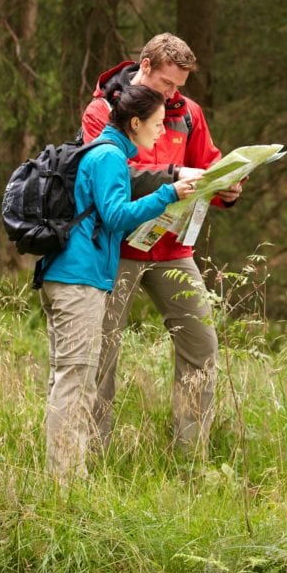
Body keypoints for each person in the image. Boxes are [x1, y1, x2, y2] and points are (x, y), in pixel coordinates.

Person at [81, 32, 242, 456]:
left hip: (173, 249)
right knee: (101, 354)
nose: (172, 95)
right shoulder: (103, 111)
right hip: (117, 249)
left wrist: (227, 184)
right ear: (145, 67)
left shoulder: (188, 112)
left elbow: (208, 161)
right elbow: (117, 173)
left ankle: (191, 457)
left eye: (179, 88)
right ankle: (92, 457)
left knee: (201, 346)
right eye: (167, 84)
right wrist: (176, 177)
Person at [41, 84, 198, 481]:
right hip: (79, 280)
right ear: (134, 123)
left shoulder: (105, 152)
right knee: (75, 382)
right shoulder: (110, 156)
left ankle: (67, 476)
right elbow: (114, 216)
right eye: (158, 124)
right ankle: (65, 483)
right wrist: (168, 193)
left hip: (69, 276)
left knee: (70, 378)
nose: (163, 132)